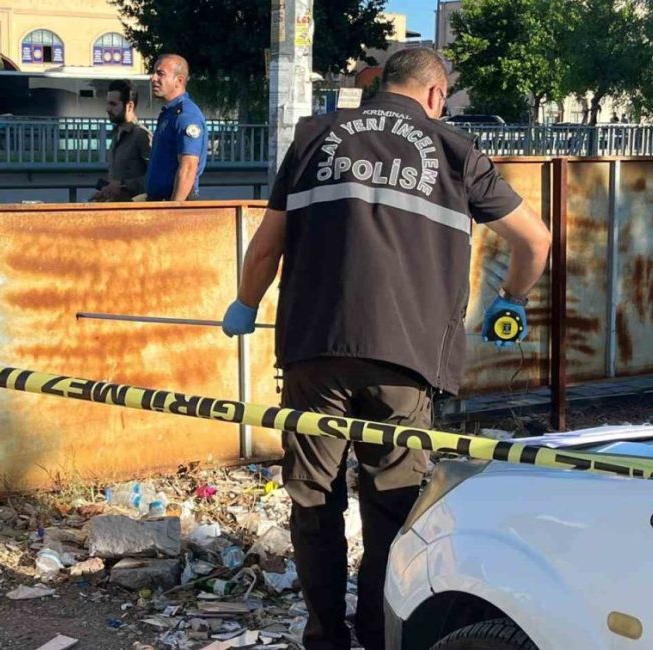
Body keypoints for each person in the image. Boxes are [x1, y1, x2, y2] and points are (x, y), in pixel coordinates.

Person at [220, 47, 551, 650]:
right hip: (407, 357)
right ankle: (380, 633)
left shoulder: (316, 137)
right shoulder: (455, 151)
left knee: (313, 498)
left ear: (383, 85)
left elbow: (267, 247)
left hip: (315, 350)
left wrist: (245, 304)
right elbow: (536, 239)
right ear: (434, 94)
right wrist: (513, 297)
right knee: (392, 502)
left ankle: (324, 638)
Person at [145, 54, 207, 201]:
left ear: (179, 80)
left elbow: (188, 167)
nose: (153, 78)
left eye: (160, 74)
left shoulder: (186, 115)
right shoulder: (170, 113)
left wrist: (173, 211)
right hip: (160, 202)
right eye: (154, 73)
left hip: (174, 204)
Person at [91, 79, 152, 202]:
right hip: (116, 208)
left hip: (135, 211)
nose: (108, 109)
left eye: (113, 104)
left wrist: (124, 185)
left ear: (129, 106)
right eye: (107, 103)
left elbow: (156, 177)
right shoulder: (115, 135)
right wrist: (107, 191)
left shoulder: (142, 135)